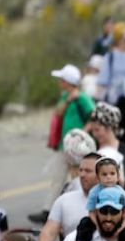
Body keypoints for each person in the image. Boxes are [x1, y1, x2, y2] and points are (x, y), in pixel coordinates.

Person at [36, 64, 95, 223]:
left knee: (73, 175)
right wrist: (68, 99)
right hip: (65, 144)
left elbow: (93, 115)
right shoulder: (66, 97)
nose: (59, 82)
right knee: (59, 176)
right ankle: (49, 209)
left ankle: (57, 210)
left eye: (62, 80)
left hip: (76, 146)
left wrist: (82, 133)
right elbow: (58, 113)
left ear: (68, 81)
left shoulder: (82, 98)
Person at [85, 102, 125, 190]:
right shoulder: (92, 149)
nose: (94, 134)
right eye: (92, 131)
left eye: (97, 130)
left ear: (109, 127)